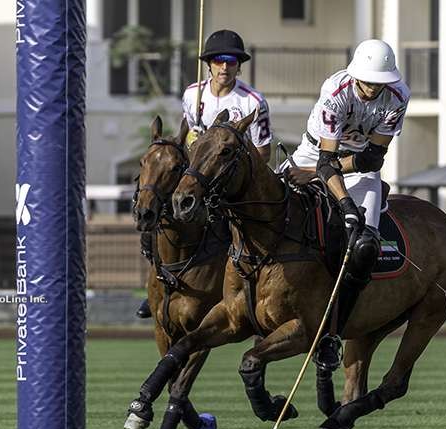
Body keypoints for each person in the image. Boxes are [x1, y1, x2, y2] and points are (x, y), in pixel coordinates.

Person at [281, 39, 410, 368]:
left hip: (356, 168)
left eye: (378, 83)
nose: (371, 89)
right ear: (355, 77)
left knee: (364, 246)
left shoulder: (397, 97)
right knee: (266, 213)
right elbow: (325, 162)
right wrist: (344, 204)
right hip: (314, 153)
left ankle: (333, 335)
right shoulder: (336, 91)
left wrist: (316, 181)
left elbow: (370, 157)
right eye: (367, 82)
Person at [136, 29, 273, 319]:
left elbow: (263, 153)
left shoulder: (252, 102)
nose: (225, 66)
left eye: (232, 61)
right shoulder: (192, 93)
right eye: (220, 60)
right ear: (209, 63)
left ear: (239, 65)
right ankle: (158, 288)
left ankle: (236, 292)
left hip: (228, 182)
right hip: (196, 175)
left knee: (231, 233)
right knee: (155, 213)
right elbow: (185, 130)